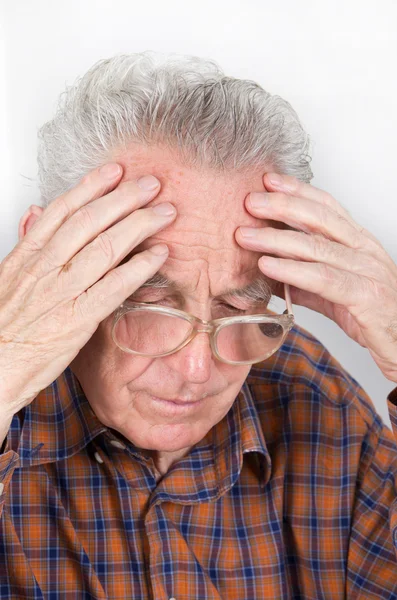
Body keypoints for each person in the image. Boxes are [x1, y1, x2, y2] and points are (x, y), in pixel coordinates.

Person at [0, 51, 397, 599]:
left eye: (238, 311)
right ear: (48, 261)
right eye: (149, 303)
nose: (197, 369)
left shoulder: (315, 400)